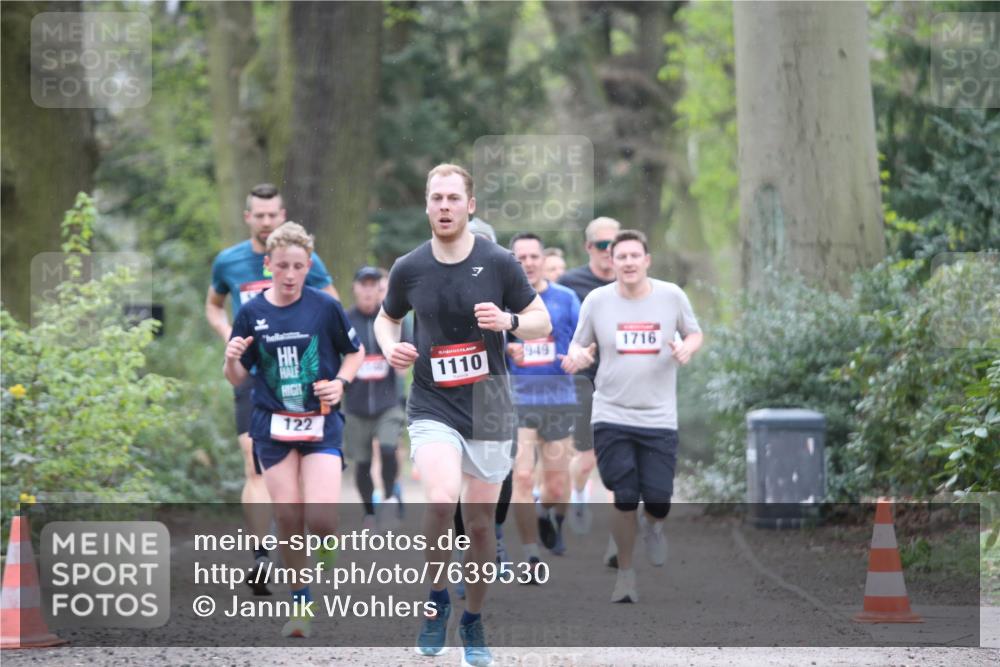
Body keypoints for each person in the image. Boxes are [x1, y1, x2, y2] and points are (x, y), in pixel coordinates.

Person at [375, 164, 551, 666]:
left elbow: (540, 322)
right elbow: (386, 320)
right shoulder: (409, 267)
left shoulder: (499, 263)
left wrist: (510, 320)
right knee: (438, 498)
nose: (445, 206)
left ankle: (472, 619)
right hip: (432, 401)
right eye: (437, 198)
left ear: (470, 205)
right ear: (427, 206)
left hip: (489, 402)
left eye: (454, 197)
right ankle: (435, 600)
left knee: (478, 526)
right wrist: (391, 348)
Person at [225, 222, 364, 637]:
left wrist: (340, 383)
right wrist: (231, 358)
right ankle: (301, 605)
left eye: (298, 266)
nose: (289, 275)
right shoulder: (251, 313)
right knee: (287, 516)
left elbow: (355, 354)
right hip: (272, 425)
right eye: (282, 265)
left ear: (309, 267)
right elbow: (237, 378)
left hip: (320, 423)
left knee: (320, 518)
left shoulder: (324, 307)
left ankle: (326, 542)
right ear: (268, 265)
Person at [206, 183, 340, 595]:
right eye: (258, 215)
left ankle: (298, 530)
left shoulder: (302, 258)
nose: (266, 222)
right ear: (248, 217)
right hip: (253, 374)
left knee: (302, 476)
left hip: (298, 377)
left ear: (282, 216)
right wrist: (230, 335)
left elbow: (331, 302)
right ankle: (262, 553)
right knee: (253, 460)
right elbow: (212, 303)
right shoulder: (228, 261)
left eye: (272, 215)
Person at [562, 229, 703, 603]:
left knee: (658, 499)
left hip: (658, 416)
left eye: (633, 256)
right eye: (619, 256)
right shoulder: (597, 300)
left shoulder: (671, 296)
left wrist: (686, 348)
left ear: (646, 260)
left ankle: (654, 527)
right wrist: (579, 356)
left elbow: (694, 333)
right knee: (624, 496)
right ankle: (625, 575)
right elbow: (578, 343)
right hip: (611, 412)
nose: (626, 262)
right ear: (611, 262)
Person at [506, 233, 580, 580]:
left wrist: (578, 357)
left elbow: (584, 341)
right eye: (521, 257)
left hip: (560, 400)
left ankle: (551, 516)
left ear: (542, 259)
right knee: (522, 476)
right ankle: (531, 555)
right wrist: (508, 350)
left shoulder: (565, 298)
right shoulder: (502, 300)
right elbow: (490, 345)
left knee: (555, 488)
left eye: (534, 256)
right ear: (513, 260)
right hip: (519, 399)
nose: (528, 262)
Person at [557, 217, 620, 536]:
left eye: (614, 244)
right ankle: (579, 493)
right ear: (589, 247)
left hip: (623, 381)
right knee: (585, 461)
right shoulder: (570, 284)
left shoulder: (632, 281)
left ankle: (620, 530)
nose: (609, 252)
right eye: (601, 245)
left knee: (619, 459)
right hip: (584, 380)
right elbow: (561, 332)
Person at [343, 266, 406, 531]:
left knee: (389, 449)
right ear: (356, 287)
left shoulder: (393, 318)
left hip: (388, 402)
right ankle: (369, 511)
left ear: (380, 288)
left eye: (373, 285)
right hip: (355, 405)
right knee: (363, 462)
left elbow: (405, 360)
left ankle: (390, 496)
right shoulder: (345, 319)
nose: (368, 290)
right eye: (363, 284)